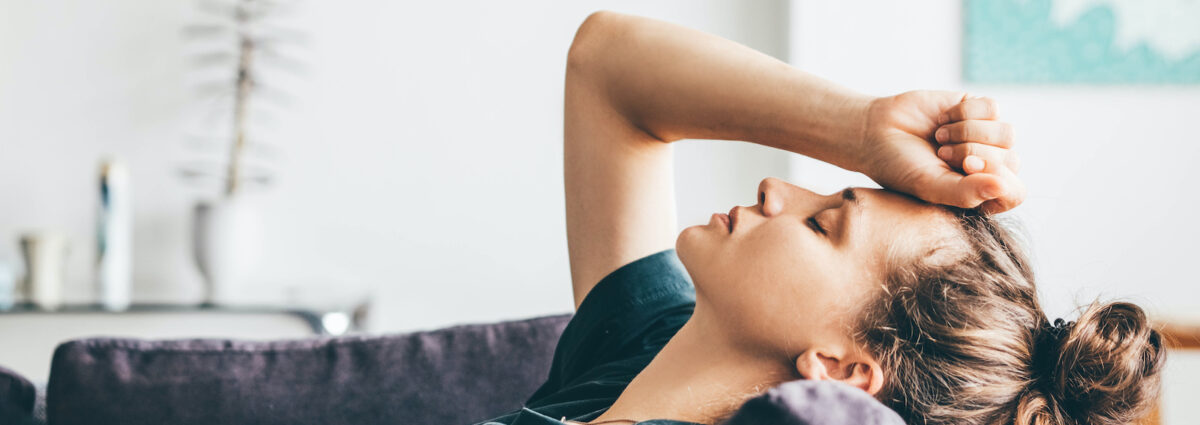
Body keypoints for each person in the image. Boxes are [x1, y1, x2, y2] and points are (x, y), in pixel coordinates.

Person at [478, 11, 1163, 425]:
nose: (778, 188)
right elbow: (607, 64)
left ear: (840, 367)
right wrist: (859, 129)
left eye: (822, 225)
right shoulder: (640, 345)